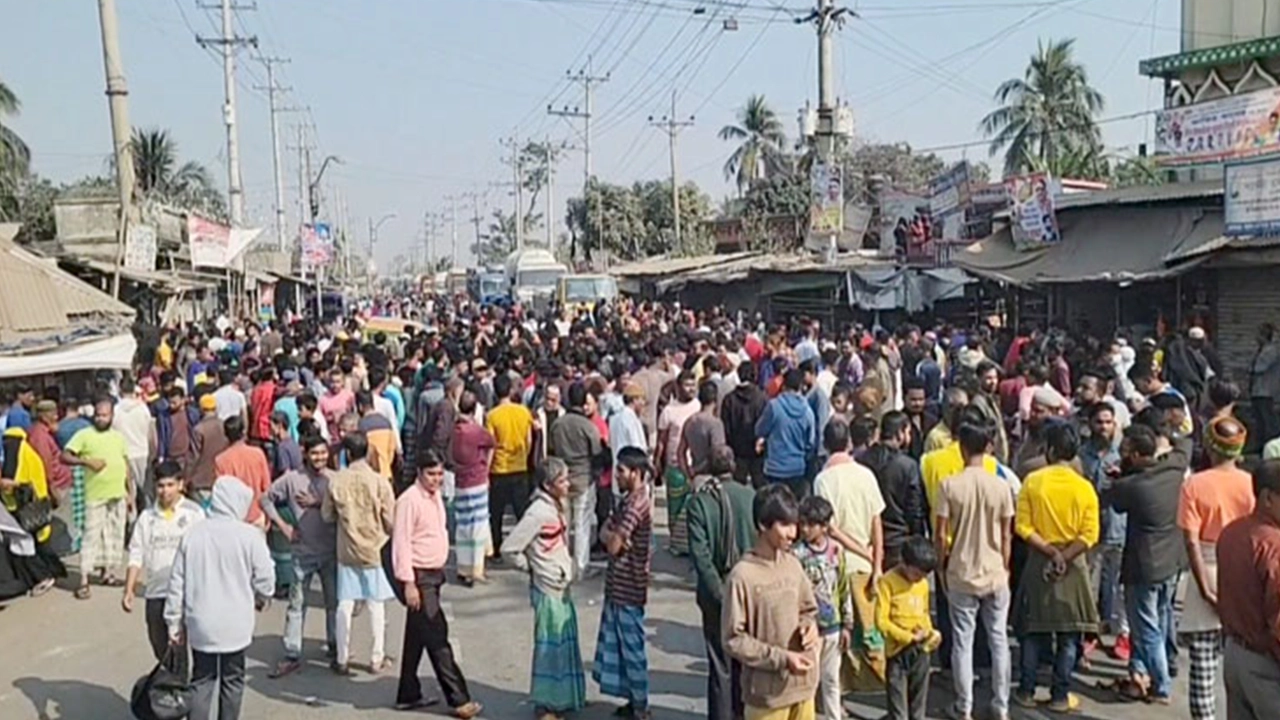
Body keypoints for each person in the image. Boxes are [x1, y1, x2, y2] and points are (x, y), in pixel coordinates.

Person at [164, 476, 275, 720]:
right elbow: (266, 579)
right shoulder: (250, 536)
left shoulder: (193, 535)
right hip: (236, 624)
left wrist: (173, 622)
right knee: (233, 680)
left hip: (201, 623)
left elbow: (177, 583)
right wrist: (263, 597)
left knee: (202, 680)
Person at [1013, 422, 1100, 713]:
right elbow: (1090, 534)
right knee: (1068, 635)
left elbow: (1022, 526)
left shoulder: (1033, 482)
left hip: (1039, 559)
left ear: (1049, 449)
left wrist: (1051, 552)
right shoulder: (1084, 487)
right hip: (1074, 565)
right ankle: (1060, 695)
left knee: (1033, 631)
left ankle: (1026, 690)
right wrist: (1065, 555)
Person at [392, 450, 483, 718]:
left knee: (417, 635)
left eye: (440, 474)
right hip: (419, 578)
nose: (436, 479)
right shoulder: (409, 500)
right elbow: (401, 544)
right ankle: (458, 698)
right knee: (437, 638)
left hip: (434, 573)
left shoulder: (435, 497)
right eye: (431, 474)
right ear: (419, 473)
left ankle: (408, 693)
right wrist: (409, 583)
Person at [934, 417, 1014, 720]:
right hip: (995, 572)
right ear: (989, 447)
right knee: (999, 641)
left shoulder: (949, 485)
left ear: (962, 448)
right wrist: (1005, 568)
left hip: (962, 572)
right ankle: (1001, 704)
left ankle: (963, 706)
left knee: (962, 643)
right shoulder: (1001, 486)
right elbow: (1007, 534)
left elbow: (941, 534)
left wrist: (941, 566)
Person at [1178, 416, 1254, 720]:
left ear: (1209, 446)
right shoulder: (1252, 484)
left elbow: (1191, 542)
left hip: (1207, 570)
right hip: (1244, 573)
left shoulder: (1193, 485)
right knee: (1244, 663)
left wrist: (1205, 588)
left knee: (1203, 666)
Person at [723, 483, 820, 720]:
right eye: (784, 525)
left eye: (794, 524)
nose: (793, 533)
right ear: (762, 525)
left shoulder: (793, 565)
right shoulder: (742, 576)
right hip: (767, 698)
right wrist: (782, 658)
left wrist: (810, 627)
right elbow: (733, 639)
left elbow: (809, 609)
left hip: (804, 689)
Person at [500, 457, 587, 720]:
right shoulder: (538, 512)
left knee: (563, 644)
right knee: (550, 647)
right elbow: (509, 548)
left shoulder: (555, 507)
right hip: (548, 586)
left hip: (561, 584)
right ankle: (546, 704)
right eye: (562, 480)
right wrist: (532, 567)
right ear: (549, 485)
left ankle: (564, 698)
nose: (567, 484)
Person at [1109, 422, 1188, 704]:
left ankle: (1161, 684)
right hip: (1171, 561)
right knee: (1161, 617)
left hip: (1143, 566)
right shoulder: (1174, 469)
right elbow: (1185, 445)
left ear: (1136, 455)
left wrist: (1117, 476)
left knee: (1146, 629)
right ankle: (1143, 672)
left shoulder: (1133, 486)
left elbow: (1111, 498)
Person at [813, 419, 886, 691]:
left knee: (840, 635)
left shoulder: (823, 480)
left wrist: (859, 551)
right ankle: (879, 685)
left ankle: (840, 693)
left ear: (825, 444)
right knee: (871, 631)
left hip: (838, 565)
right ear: (850, 443)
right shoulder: (866, 475)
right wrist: (875, 560)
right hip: (866, 564)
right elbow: (877, 522)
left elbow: (828, 528)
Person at [686, 446, 757, 720]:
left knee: (719, 663)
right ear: (734, 466)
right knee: (745, 660)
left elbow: (701, 556)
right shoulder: (750, 497)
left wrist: (719, 591)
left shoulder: (701, 502)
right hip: (748, 590)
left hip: (716, 594)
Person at [261, 434, 338, 678]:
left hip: (331, 552)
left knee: (334, 603)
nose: (320, 458)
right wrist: (283, 526)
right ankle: (292, 652)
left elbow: (344, 510)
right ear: (305, 453)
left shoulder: (334, 480)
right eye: (315, 453)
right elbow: (265, 499)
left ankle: (336, 647)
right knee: (297, 605)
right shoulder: (291, 480)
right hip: (302, 553)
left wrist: (319, 503)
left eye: (323, 453)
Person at [324, 432, 397, 675]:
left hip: (346, 550)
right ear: (367, 452)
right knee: (376, 605)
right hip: (375, 549)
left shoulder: (336, 481)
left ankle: (342, 658)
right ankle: (376, 658)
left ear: (346, 453)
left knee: (345, 603)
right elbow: (390, 521)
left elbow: (327, 515)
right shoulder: (379, 482)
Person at [123, 460, 204, 678]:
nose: (165, 491)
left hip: (188, 594)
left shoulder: (194, 514)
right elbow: (136, 553)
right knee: (161, 646)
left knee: (184, 650)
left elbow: (204, 553)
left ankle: (184, 694)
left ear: (180, 484)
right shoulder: (147, 518)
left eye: (170, 485)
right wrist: (129, 590)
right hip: (157, 592)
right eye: (160, 486)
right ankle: (175, 683)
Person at [1215, 459, 1280, 720]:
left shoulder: (1232, 531)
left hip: (1235, 653)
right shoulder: (1273, 545)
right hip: (1266, 665)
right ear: (1267, 497)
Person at [593, 446, 654, 720]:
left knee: (632, 650)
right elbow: (606, 529)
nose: (616, 475)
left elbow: (614, 542)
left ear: (636, 473)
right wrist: (611, 535)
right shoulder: (629, 500)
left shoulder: (635, 505)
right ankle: (633, 700)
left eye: (621, 470)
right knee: (622, 647)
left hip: (629, 585)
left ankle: (640, 706)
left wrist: (611, 536)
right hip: (620, 585)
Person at [62, 399, 133, 600]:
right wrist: (86, 461)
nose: (101, 418)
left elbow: (125, 464)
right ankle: (84, 580)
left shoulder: (118, 438)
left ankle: (107, 573)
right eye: (98, 415)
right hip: (94, 495)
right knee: (91, 535)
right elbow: (64, 456)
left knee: (113, 535)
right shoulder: (84, 435)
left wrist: (130, 494)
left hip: (117, 493)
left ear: (112, 416)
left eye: (105, 415)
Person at [794, 495, 854, 720]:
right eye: (803, 523)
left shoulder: (836, 551)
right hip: (810, 628)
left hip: (834, 627)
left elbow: (843, 587)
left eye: (811, 524)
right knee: (809, 682)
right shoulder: (797, 554)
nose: (805, 529)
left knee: (831, 681)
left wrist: (848, 624)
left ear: (825, 526)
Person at [1078, 401, 1129, 659]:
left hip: (1119, 525)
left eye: (1108, 422)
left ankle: (1121, 636)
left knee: (1119, 585)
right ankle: (1091, 632)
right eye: (1099, 422)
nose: (1104, 427)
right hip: (1091, 528)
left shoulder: (1124, 452)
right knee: (1090, 582)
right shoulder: (1082, 453)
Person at [876, 536, 942, 720]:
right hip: (897, 652)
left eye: (923, 576)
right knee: (899, 711)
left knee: (918, 707)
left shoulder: (921, 585)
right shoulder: (887, 582)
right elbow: (881, 621)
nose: (919, 579)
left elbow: (925, 612)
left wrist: (928, 632)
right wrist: (907, 637)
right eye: (917, 574)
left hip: (920, 650)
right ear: (904, 563)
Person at [1, 423, 66, 597]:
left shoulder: (24, 458)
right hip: (30, 509)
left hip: (29, 509)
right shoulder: (24, 455)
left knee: (29, 545)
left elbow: (23, 485)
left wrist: (10, 485)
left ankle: (43, 576)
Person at [549, 383, 605, 576]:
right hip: (584, 479)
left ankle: (562, 563)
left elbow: (552, 450)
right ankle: (581, 567)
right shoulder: (588, 427)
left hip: (562, 479)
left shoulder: (558, 424)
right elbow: (597, 454)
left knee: (564, 525)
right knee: (582, 525)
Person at [861, 411, 928, 569]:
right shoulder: (908, 466)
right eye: (908, 432)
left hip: (868, 538)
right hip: (898, 540)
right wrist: (917, 537)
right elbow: (915, 508)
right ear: (900, 433)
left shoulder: (863, 460)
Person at [485, 372, 534, 554]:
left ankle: (497, 547)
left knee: (495, 513)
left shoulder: (492, 416)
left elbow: (491, 443)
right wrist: (524, 457)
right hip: (520, 467)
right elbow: (528, 440)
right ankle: (525, 545)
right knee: (521, 512)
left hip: (499, 468)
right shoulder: (523, 412)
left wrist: (487, 471)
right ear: (511, 390)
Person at [450, 391, 495, 586]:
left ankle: (463, 568)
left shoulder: (454, 429)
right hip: (477, 481)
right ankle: (476, 569)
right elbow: (492, 444)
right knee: (478, 526)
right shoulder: (476, 431)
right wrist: (487, 467)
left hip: (460, 481)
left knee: (463, 525)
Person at [756, 369, 818, 501]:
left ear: (783, 385)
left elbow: (760, 430)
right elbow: (810, 442)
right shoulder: (807, 411)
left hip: (774, 467)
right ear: (801, 387)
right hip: (797, 468)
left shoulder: (774, 406)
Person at [656, 371, 700, 555]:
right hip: (674, 466)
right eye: (687, 385)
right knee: (675, 507)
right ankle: (676, 543)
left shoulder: (698, 406)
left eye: (693, 385)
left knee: (693, 508)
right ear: (678, 387)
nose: (690, 389)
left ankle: (691, 542)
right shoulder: (669, 411)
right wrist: (657, 464)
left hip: (695, 465)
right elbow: (661, 441)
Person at [214, 416, 271, 529]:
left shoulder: (221, 460)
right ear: (243, 432)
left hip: (235, 518)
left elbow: (222, 494)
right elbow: (267, 487)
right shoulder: (257, 454)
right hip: (257, 514)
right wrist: (268, 515)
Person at [722, 361, 768, 488]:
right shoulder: (762, 398)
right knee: (760, 487)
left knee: (737, 487)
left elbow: (726, 427)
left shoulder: (729, 399)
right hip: (757, 450)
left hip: (737, 450)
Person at [115, 378, 157, 507]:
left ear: (119, 390)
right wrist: (153, 453)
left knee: (129, 492)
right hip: (142, 452)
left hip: (124, 455)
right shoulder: (143, 408)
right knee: (146, 491)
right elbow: (152, 434)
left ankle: (132, 520)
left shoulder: (115, 410)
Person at [189, 394, 229, 501]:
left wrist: (186, 478)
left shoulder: (199, 429)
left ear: (201, 409)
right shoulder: (224, 425)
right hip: (221, 476)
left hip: (201, 479)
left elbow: (193, 457)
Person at [1249, 323, 1280, 444]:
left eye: (1259, 335)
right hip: (1258, 391)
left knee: (1267, 420)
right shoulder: (1261, 350)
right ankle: (1261, 444)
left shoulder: (1270, 351)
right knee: (1259, 420)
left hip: (1266, 391)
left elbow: (1258, 368)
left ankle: (1269, 444)